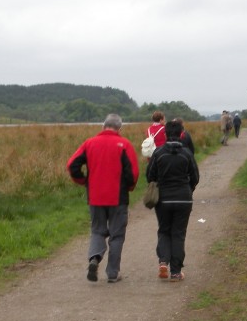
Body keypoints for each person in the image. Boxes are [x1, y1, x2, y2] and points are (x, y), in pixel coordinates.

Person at [67, 113, 139, 283]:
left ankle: (94, 257)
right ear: (119, 128)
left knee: (97, 230)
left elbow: (72, 165)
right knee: (117, 235)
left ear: (103, 126)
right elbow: (133, 173)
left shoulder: (89, 143)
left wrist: (83, 180)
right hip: (118, 198)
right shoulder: (125, 145)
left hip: (95, 196)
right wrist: (129, 187)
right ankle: (113, 273)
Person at [146, 119, 199, 282]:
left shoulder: (159, 153)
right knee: (178, 234)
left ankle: (163, 261)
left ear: (165, 134)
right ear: (181, 133)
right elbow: (195, 177)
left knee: (164, 230)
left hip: (163, 198)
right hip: (183, 198)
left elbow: (150, 176)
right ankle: (176, 272)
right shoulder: (187, 153)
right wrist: (188, 190)